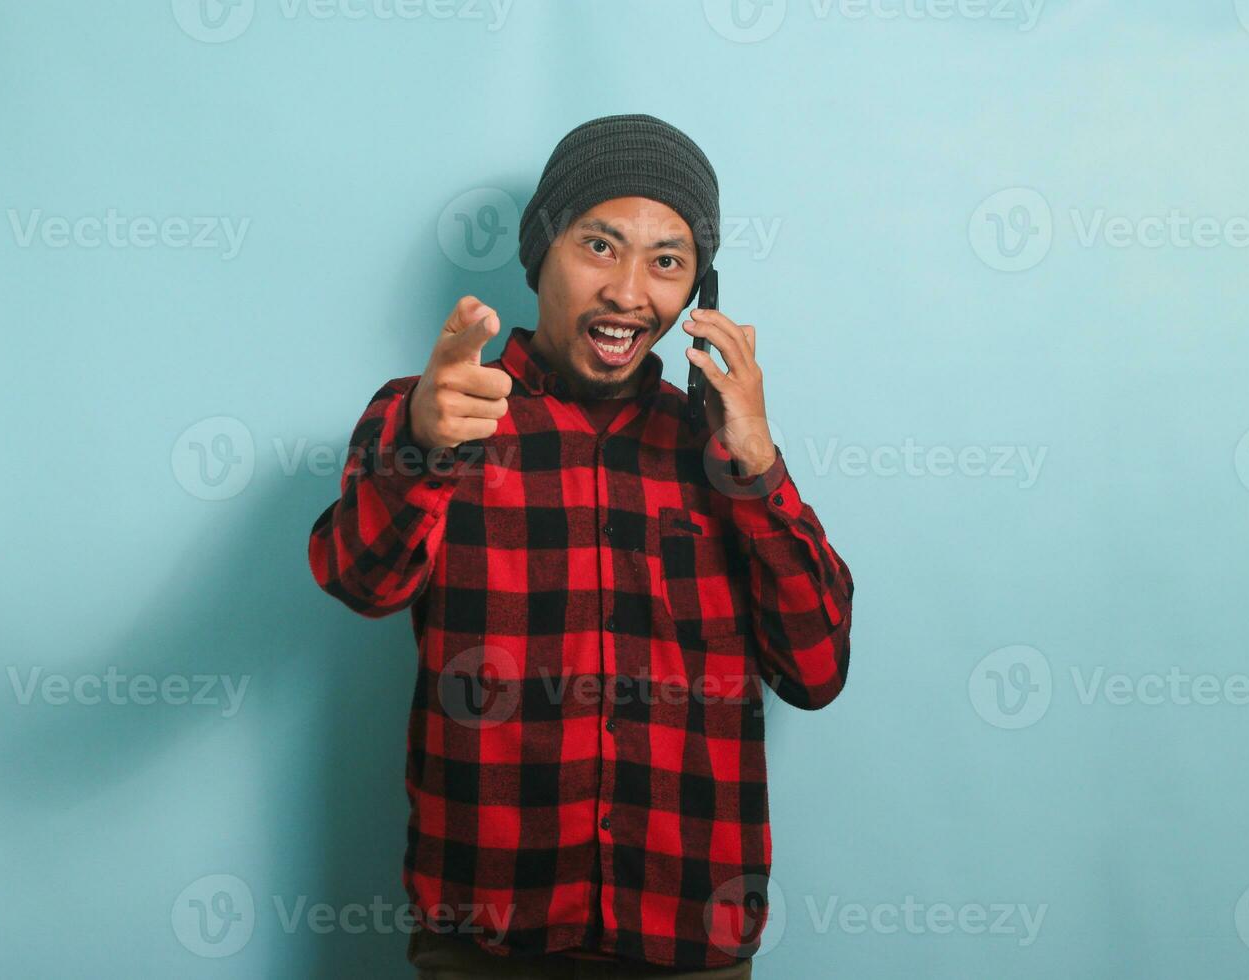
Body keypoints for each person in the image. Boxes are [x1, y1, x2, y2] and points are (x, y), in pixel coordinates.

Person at [309, 113, 854, 978]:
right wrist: (423, 444)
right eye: (600, 246)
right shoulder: (438, 413)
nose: (630, 292)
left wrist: (756, 464)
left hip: (687, 936)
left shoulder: (723, 452)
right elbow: (357, 578)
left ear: (699, 294)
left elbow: (818, 670)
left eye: (667, 262)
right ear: (541, 253)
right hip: (487, 938)